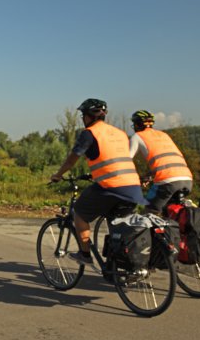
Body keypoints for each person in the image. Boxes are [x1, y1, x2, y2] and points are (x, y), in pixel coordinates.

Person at [51, 98, 146, 266]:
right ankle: (118, 265)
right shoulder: (120, 133)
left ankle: (85, 254)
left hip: (112, 187)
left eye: (83, 115)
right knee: (118, 226)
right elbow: (112, 159)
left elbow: (71, 160)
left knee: (79, 212)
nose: (82, 119)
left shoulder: (89, 133)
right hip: (133, 187)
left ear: (89, 116)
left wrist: (58, 175)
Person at [128, 110, 193, 214]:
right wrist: (149, 175)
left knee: (148, 212)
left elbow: (126, 160)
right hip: (187, 180)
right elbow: (165, 162)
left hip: (167, 182)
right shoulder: (164, 135)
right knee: (170, 212)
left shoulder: (138, 136)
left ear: (136, 124)